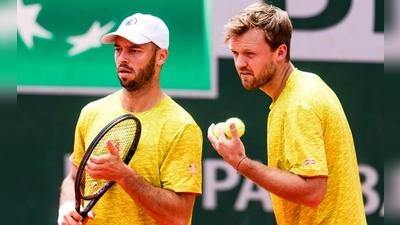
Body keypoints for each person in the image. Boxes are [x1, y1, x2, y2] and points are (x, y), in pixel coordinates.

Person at [207, 3, 367, 225]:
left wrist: (241, 162)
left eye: (250, 54)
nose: (240, 63)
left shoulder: (298, 105)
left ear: (280, 52)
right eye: (235, 52)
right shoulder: (305, 84)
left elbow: (312, 192)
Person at [57, 13, 203, 225]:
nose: (123, 58)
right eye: (118, 49)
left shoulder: (181, 126)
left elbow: (179, 216)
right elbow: (73, 179)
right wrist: (67, 205)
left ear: (161, 56)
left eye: (135, 50)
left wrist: (124, 176)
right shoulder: (91, 112)